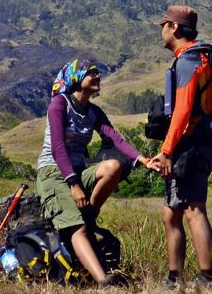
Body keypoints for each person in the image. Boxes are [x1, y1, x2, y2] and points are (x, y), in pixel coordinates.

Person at [35, 58, 154, 287]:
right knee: (76, 227)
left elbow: (115, 138)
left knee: (113, 167)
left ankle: (89, 216)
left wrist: (142, 160)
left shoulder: (94, 112)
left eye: (98, 72)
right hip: (53, 172)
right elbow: (58, 148)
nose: (98, 76)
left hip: (77, 172)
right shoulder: (59, 105)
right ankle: (104, 282)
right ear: (77, 78)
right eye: (91, 73)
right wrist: (73, 184)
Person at [148, 6, 212, 290]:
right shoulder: (197, 57)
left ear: (174, 28)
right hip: (197, 144)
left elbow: (183, 110)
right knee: (171, 212)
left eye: (163, 25)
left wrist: (167, 150)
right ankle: (175, 276)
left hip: (190, 145)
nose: (161, 30)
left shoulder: (190, 61)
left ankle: (208, 277)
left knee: (193, 209)